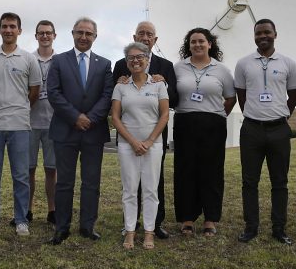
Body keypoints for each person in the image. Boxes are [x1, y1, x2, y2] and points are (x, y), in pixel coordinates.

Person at [46, 17, 114, 245]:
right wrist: (75, 117)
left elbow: (107, 96)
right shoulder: (58, 61)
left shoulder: (104, 64)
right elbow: (53, 93)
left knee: (91, 182)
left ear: (95, 37)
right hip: (65, 130)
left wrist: (91, 118)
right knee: (64, 182)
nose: (84, 37)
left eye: (88, 34)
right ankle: (61, 227)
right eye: (80, 33)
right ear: (72, 33)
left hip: (93, 132)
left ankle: (87, 225)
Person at [234, 19, 296, 245]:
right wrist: (254, 114)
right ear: (254, 36)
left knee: (279, 182)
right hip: (252, 129)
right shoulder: (243, 64)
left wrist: (280, 115)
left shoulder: (288, 64)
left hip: (279, 129)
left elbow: (294, 96)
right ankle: (251, 227)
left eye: (267, 32)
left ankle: (279, 228)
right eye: (258, 33)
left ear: (275, 34)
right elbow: (241, 96)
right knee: (249, 182)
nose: (263, 36)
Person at [112, 21, 178, 238]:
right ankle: (130, 225)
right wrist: (122, 80)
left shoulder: (165, 66)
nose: (145, 37)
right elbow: (115, 101)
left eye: (149, 34)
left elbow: (175, 100)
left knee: (154, 182)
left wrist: (164, 84)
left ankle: (155, 225)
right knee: (130, 183)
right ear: (135, 36)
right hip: (128, 136)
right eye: (141, 33)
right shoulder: (122, 64)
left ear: (155, 40)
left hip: (154, 136)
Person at [0, 13, 41, 238]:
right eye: (4, 26)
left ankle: (21, 219)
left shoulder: (28, 58)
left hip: (20, 125)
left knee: (21, 176)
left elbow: (34, 91)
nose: (8, 30)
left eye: (12, 27)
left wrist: (22, 107)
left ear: (19, 31)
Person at [173, 28, 236, 237]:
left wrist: (216, 115)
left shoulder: (222, 70)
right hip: (184, 123)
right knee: (185, 171)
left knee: (212, 172)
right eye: (193, 42)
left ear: (210, 44)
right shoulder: (178, 68)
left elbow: (230, 97)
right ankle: (187, 219)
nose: (197, 45)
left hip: (213, 125)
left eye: (201, 41)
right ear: (188, 45)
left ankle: (210, 219)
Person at [29, 20, 58, 225]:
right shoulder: (27, 59)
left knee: (51, 169)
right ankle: (27, 210)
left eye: (48, 33)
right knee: (28, 169)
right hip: (29, 123)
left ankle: (52, 210)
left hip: (53, 123)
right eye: (41, 33)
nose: (45, 36)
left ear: (54, 35)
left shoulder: (61, 60)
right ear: (36, 36)